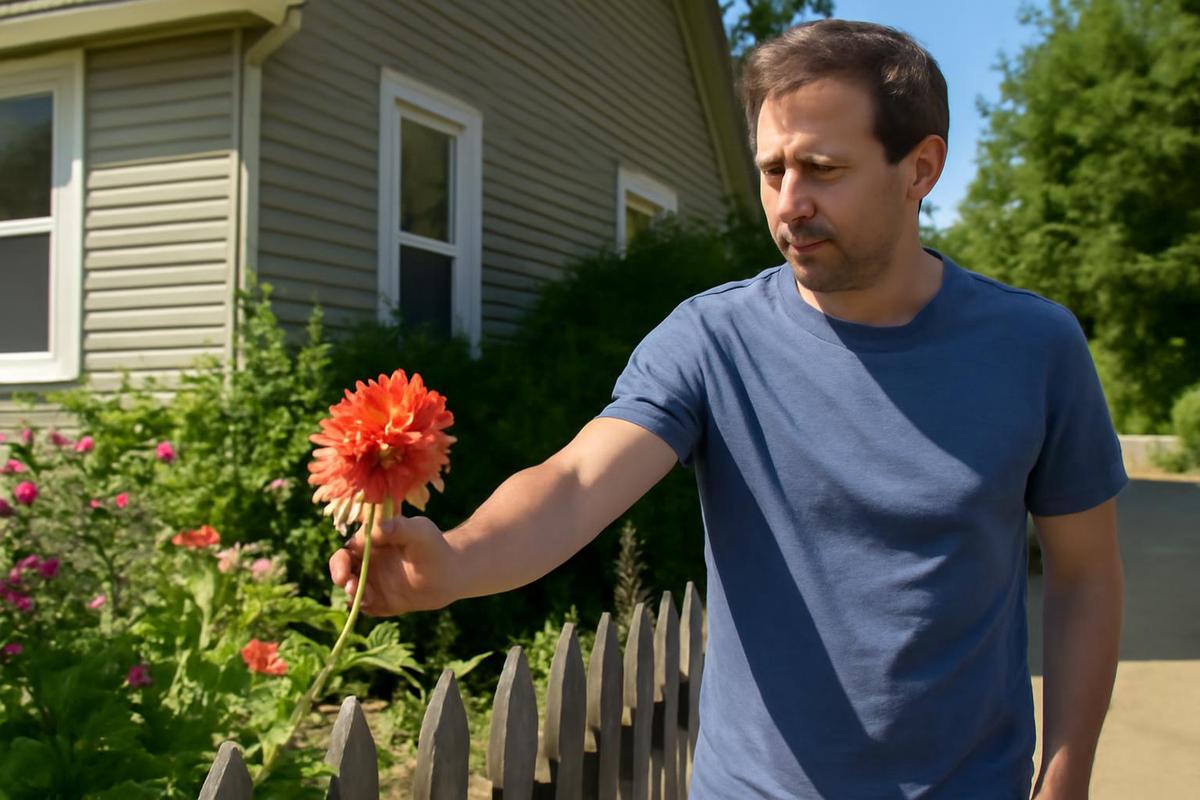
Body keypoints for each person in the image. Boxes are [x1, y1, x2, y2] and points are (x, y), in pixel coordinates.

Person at [329, 19, 1126, 800]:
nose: (790, 203)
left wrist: (1066, 779)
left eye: (822, 168)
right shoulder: (713, 339)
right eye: (772, 169)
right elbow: (575, 481)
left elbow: (1085, 575)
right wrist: (461, 561)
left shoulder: (1035, 346)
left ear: (920, 168)